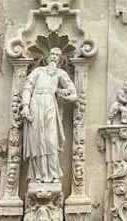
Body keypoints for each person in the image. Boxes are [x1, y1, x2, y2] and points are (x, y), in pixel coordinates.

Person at [20, 48, 78, 185]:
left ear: (60, 59)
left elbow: (73, 94)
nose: (54, 57)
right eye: (52, 54)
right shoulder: (38, 71)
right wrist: (25, 106)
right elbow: (28, 87)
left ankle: (53, 174)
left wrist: (63, 93)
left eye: (57, 55)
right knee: (36, 139)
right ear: (47, 57)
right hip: (36, 104)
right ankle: (38, 176)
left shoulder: (61, 73)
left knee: (51, 140)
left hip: (51, 105)